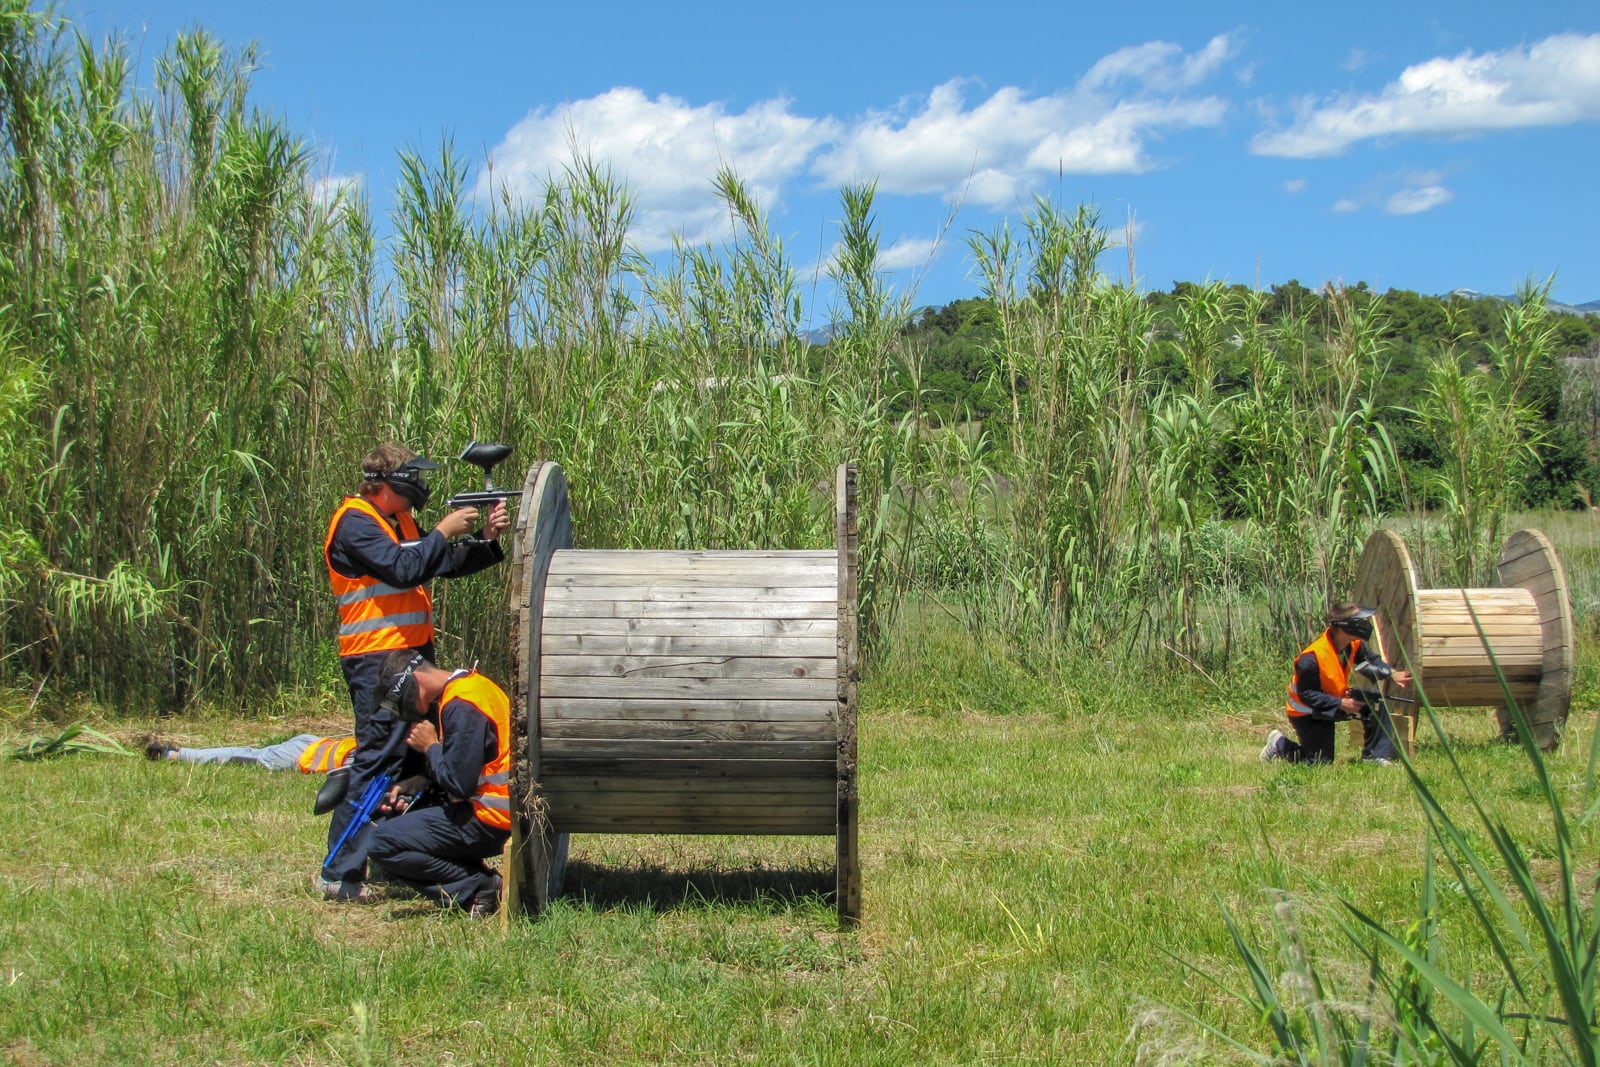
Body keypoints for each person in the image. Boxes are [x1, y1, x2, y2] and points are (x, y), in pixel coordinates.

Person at [318, 442, 510, 901]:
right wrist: (443, 530)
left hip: (409, 658)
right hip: (376, 659)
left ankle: (404, 851)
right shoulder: (354, 521)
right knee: (378, 759)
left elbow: (433, 561)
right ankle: (340, 873)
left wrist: (485, 540)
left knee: (416, 761)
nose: (421, 487)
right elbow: (404, 568)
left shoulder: (396, 520)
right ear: (389, 483)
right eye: (415, 479)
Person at [364, 649, 512, 917]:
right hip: (499, 810)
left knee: (380, 843)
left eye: (398, 703)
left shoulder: (461, 704)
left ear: (413, 683)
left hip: (491, 819)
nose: (402, 713)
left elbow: (459, 785)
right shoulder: (473, 686)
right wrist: (419, 782)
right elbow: (472, 762)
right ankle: (477, 879)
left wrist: (430, 747)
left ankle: (479, 886)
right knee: (407, 821)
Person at [1261, 602, 1414, 765]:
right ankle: (1278, 743)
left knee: (1375, 701)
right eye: (1358, 621)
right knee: (1320, 763)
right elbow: (1306, 695)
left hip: (1335, 700)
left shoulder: (1353, 643)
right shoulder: (1310, 658)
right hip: (1307, 710)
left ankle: (1375, 756)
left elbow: (1371, 660)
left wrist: (1392, 673)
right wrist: (1340, 703)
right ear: (1342, 628)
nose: (1364, 624)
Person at [143, 733, 355, 772]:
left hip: (314, 742)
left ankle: (176, 753)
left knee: (246, 752)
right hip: (298, 756)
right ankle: (173, 755)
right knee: (240, 757)